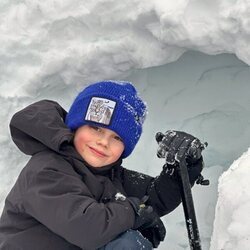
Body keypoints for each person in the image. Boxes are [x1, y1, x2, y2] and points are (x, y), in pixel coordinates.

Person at [0, 80, 204, 250]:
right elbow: (87, 227)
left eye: (116, 137)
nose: (103, 142)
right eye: (95, 128)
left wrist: (184, 165)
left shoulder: (109, 175)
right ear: (75, 126)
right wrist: (134, 212)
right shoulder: (46, 170)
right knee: (125, 244)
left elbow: (156, 197)